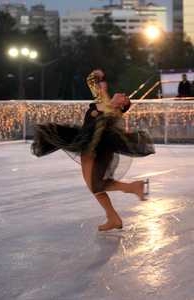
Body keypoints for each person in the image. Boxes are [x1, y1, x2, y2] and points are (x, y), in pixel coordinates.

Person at [31, 69, 155, 231]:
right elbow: (92, 82)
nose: (123, 94)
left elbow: (107, 126)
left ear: (122, 105)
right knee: (94, 186)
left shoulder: (113, 113)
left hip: (98, 151)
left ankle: (131, 189)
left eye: (125, 98)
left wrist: (105, 96)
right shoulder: (104, 101)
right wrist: (96, 75)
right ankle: (113, 216)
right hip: (86, 147)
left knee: (95, 185)